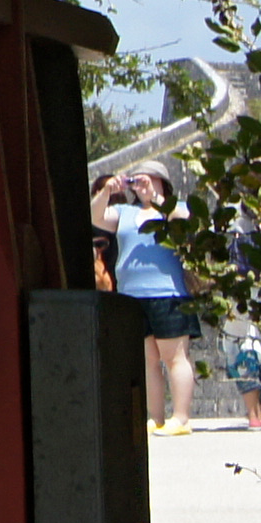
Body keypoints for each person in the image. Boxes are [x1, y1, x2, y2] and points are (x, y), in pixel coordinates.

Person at [110, 184, 201, 436]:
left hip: (168, 293)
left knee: (175, 357)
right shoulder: (125, 212)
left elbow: (183, 221)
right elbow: (97, 218)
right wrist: (106, 190)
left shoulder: (174, 207)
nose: (141, 186)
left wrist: (158, 199)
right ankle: (156, 417)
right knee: (147, 360)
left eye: (148, 179)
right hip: (132, 295)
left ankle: (181, 418)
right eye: (137, 182)